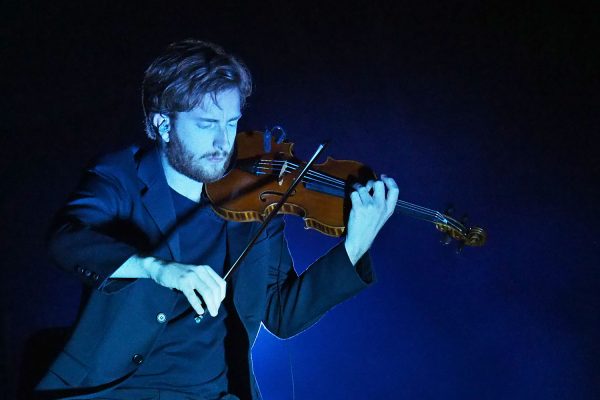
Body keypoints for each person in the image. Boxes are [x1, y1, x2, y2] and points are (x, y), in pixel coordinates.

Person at [35, 39, 399, 400]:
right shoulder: (120, 177)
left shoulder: (256, 201)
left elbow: (283, 314)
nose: (223, 141)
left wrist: (354, 246)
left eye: (231, 123)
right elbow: (67, 238)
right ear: (163, 125)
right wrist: (157, 267)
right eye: (207, 124)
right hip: (112, 391)